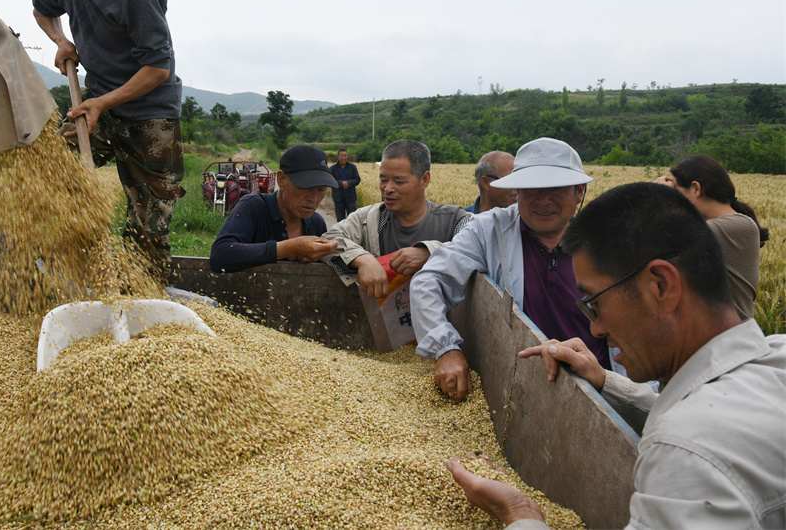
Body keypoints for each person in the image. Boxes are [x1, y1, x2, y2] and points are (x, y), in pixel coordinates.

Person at [446, 182, 786, 529]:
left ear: (661, 286)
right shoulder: (776, 358)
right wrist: (604, 380)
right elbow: (712, 414)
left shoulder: (683, 454)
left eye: (596, 302)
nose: (596, 329)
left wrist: (519, 515)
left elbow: (697, 432)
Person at [32, 0, 184, 277]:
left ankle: (149, 301)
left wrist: (101, 102)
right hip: (98, 103)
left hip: (151, 113)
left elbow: (157, 68)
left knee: (149, 224)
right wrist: (60, 40)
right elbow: (43, 9)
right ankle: (67, 267)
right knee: (48, 167)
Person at [410, 137, 608, 402]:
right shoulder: (489, 229)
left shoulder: (606, 241)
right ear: (517, 192)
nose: (544, 200)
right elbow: (429, 280)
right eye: (531, 188)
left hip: (594, 385)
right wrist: (445, 348)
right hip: (523, 385)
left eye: (557, 188)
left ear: (579, 192)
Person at [322, 140, 472, 298]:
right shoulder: (369, 218)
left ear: (425, 180)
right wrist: (362, 258)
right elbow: (328, 240)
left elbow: (478, 245)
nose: (387, 189)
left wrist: (430, 253)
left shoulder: (454, 219)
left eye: (399, 181)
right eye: (383, 180)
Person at [655, 154, 768, 320]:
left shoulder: (738, 226)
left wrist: (660, 196)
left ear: (695, 188)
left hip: (734, 341)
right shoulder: (710, 228)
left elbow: (659, 240)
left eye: (676, 194)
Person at [209, 145, 338, 273]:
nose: (314, 198)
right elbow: (219, 255)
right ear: (282, 180)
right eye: (306, 187)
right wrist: (290, 248)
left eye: (321, 189)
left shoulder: (317, 223)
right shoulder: (253, 207)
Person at [329, 147, 361, 221]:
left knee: (353, 219)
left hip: (351, 198)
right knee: (340, 220)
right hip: (338, 198)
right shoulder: (332, 168)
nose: (343, 157)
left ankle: (352, 233)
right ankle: (341, 233)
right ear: (338, 157)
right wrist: (341, 183)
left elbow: (357, 179)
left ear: (347, 156)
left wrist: (348, 183)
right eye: (341, 155)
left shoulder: (352, 167)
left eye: (345, 155)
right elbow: (330, 181)